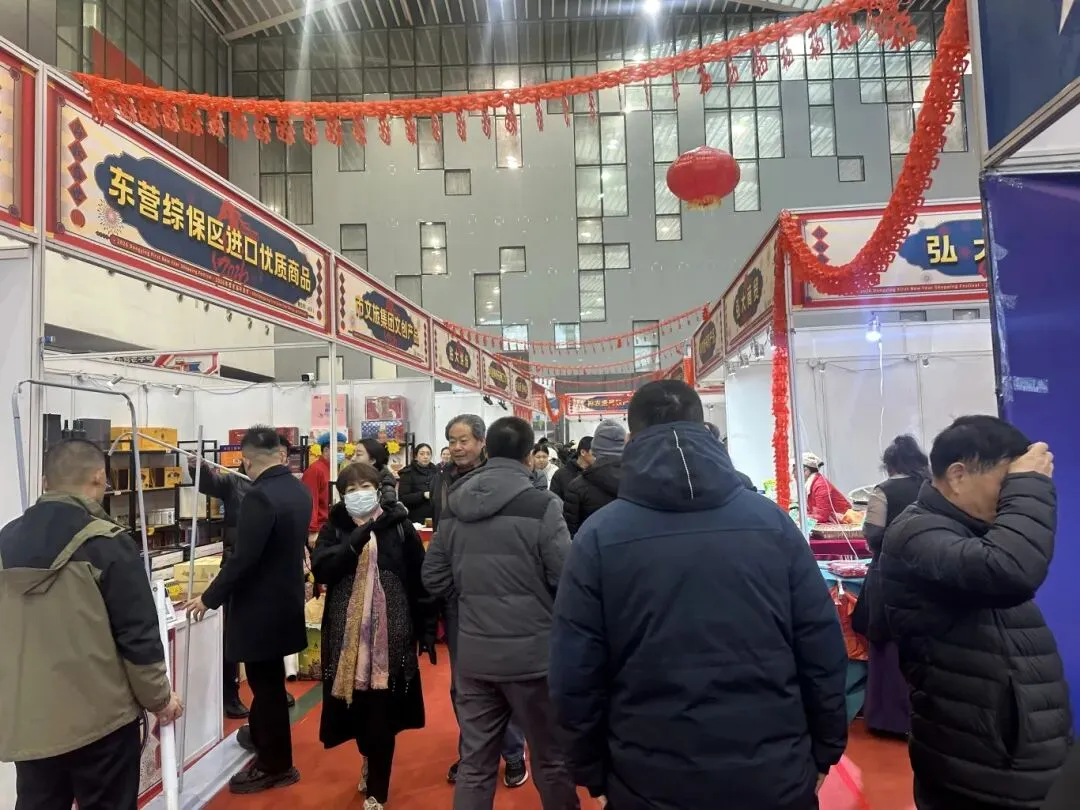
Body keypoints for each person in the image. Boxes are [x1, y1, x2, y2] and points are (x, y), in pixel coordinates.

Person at [550, 380, 848, 810]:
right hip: (773, 772)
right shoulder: (773, 523)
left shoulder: (598, 536)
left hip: (647, 777)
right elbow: (821, 647)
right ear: (706, 428)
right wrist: (825, 747)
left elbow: (575, 670)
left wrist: (590, 770)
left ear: (632, 440)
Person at [878, 416, 1071, 810]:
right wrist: (1030, 486)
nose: (1009, 496)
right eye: (1006, 482)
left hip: (1014, 760)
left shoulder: (973, 531)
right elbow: (1011, 571)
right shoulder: (915, 533)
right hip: (978, 767)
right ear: (958, 475)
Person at [0, 438, 184, 810]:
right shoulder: (107, 543)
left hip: (30, 722)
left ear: (44, 483)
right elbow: (137, 637)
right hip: (101, 723)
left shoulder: (5, 541)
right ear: (99, 478)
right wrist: (161, 699)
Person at [423, 417, 580, 810]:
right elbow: (567, 577)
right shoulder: (543, 505)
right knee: (551, 760)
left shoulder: (455, 503)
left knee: (475, 766)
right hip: (534, 657)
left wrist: (470, 599)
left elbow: (433, 575)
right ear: (529, 455)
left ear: (487, 448)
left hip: (474, 655)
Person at [186, 426, 311, 794]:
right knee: (269, 682)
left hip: (260, 607)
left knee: (265, 686)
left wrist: (209, 597)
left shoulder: (260, 496)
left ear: (247, 461)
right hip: (286, 601)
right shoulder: (297, 490)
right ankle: (260, 734)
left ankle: (275, 765)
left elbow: (244, 559)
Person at [312, 462, 438, 810]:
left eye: (365, 486)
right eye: (350, 490)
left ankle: (377, 790)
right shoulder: (334, 528)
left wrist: (427, 627)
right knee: (357, 710)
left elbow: (421, 580)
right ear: (341, 495)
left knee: (383, 712)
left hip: (392, 635)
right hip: (345, 639)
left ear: (378, 489)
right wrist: (351, 546)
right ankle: (367, 754)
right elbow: (321, 570)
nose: (359, 494)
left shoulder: (399, 526)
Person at [430, 415, 527, 787]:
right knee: (464, 685)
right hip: (460, 597)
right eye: (452, 441)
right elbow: (441, 541)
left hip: (504, 595)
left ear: (482, 441)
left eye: (464, 440)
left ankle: (513, 753)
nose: (457, 447)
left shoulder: (504, 479)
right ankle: (473, 752)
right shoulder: (442, 479)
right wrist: (448, 589)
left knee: (506, 680)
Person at [850, 434, 928, 738]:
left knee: (888, 646)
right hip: (929, 574)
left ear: (890, 464)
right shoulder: (932, 486)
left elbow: (873, 534)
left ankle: (891, 719)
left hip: (890, 575)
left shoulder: (884, 491)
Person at [188, 450, 252, 720]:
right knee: (230, 633)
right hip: (234, 566)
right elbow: (208, 484)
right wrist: (198, 467)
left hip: (264, 570)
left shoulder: (272, 486)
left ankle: (269, 691)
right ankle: (230, 694)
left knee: (263, 631)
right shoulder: (233, 482)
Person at [563, 420, 626, 537]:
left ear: (594, 449)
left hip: (590, 546)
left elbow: (571, 534)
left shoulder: (577, 487)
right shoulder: (639, 482)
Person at [302, 433, 336, 547]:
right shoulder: (315, 470)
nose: (342, 454)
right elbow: (311, 500)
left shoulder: (333, 469)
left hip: (332, 526)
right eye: (339, 450)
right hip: (320, 528)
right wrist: (312, 530)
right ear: (326, 450)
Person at [801, 452, 852, 523]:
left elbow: (822, 516)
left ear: (805, 470)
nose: (793, 473)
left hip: (843, 522)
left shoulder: (820, 485)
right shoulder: (809, 485)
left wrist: (801, 517)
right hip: (831, 521)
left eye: (794, 469)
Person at [398, 443, 438, 525]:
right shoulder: (407, 473)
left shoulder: (436, 471)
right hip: (415, 518)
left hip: (434, 516)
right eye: (422, 454)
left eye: (428, 454)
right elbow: (403, 498)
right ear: (416, 456)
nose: (425, 456)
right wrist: (423, 495)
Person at [354, 438, 399, 506]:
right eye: (353, 454)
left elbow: (388, 508)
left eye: (358, 454)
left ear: (372, 460)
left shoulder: (386, 484)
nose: (353, 458)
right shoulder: (353, 477)